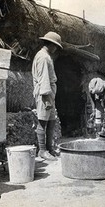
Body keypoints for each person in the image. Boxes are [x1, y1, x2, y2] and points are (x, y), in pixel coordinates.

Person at [32, 31, 63, 161]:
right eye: (55, 46)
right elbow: (44, 77)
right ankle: (42, 150)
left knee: (51, 121)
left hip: (49, 92)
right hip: (45, 92)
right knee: (43, 121)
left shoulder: (46, 56)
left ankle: (49, 148)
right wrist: (46, 96)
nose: (55, 49)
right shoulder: (43, 57)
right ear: (50, 44)